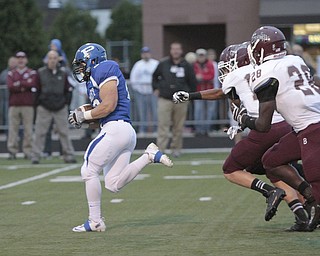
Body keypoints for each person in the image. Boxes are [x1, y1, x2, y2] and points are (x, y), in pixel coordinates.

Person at [173, 43, 310, 231]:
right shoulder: (266, 69)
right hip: (288, 125)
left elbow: (220, 92)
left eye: (229, 63)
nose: (227, 68)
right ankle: (303, 215)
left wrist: (191, 95)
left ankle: (270, 192)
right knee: (274, 168)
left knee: (230, 169)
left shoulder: (237, 75)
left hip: (265, 130)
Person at [69, 43, 173, 232]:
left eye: (82, 64)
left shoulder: (104, 67)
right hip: (120, 130)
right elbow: (101, 115)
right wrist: (82, 119)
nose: (80, 69)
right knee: (113, 183)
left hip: (116, 129)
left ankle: (95, 221)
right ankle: (149, 156)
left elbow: (108, 105)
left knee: (88, 170)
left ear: (93, 61)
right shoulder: (93, 78)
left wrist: (85, 115)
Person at [233, 25, 320, 231]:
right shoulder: (295, 59)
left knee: (315, 175)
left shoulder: (265, 72)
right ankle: (308, 195)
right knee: (271, 160)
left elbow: (263, 125)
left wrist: (244, 119)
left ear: (261, 49)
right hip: (301, 127)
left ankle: (315, 204)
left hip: (312, 126)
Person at [31, 50, 76, 164]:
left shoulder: (63, 73)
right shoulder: (40, 73)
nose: (52, 60)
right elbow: (35, 90)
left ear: (58, 59)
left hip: (60, 107)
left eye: (54, 58)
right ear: (47, 60)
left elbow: (69, 89)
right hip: (44, 107)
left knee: (64, 132)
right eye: (50, 58)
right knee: (40, 132)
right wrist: (38, 103)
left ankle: (69, 155)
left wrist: (65, 103)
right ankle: (35, 155)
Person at [152, 42, 196, 157]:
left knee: (179, 126)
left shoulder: (186, 65)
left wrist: (190, 96)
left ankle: (176, 149)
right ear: (170, 50)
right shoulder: (163, 63)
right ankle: (161, 149)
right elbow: (155, 76)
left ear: (181, 51)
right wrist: (156, 88)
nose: (175, 51)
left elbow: (192, 81)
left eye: (178, 49)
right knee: (163, 125)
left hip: (181, 100)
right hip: (165, 98)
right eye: (173, 49)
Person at [7, 52, 37, 159]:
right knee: (13, 129)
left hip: (27, 105)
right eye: (18, 58)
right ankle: (12, 151)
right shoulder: (11, 73)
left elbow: (32, 84)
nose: (21, 60)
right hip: (14, 105)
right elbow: (10, 86)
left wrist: (19, 84)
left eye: (23, 58)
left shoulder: (31, 72)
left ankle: (27, 151)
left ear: (26, 60)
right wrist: (24, 84)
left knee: (28, 129)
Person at [130, 46, 159, 135]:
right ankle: (143, 130)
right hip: (141, 93)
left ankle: (156, 130)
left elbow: (160, 77)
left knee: (155, 111)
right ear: (142, 54)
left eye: (147, 53)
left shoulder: (156, 63)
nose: (146, 55)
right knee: (142, 112)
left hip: (153, 92)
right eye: (144, 53)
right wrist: (138, 90)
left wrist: (157, 88)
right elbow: (133, 78)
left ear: (150, 53)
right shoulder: (138, 64)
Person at [193, 48, 215, 135]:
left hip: (209, 91)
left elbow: (211, 75)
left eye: (202, 55)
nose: (201, 57)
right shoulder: (194, 65)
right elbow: (193, 76)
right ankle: (198, 129)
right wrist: (202, 77)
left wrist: (201, 77)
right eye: (199, 56)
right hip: (198, 91)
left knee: (209, 111)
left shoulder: (210, 64)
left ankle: (207, 129)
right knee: (198, 111)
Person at [0, 56, 17, 127]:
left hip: (17, 100)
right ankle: (7, 134)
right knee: (6, 116)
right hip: (5, 99)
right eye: (11, 62)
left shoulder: (19, 73)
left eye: (14, 62)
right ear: (8, 63)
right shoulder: (3, 73)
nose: (12, 64)